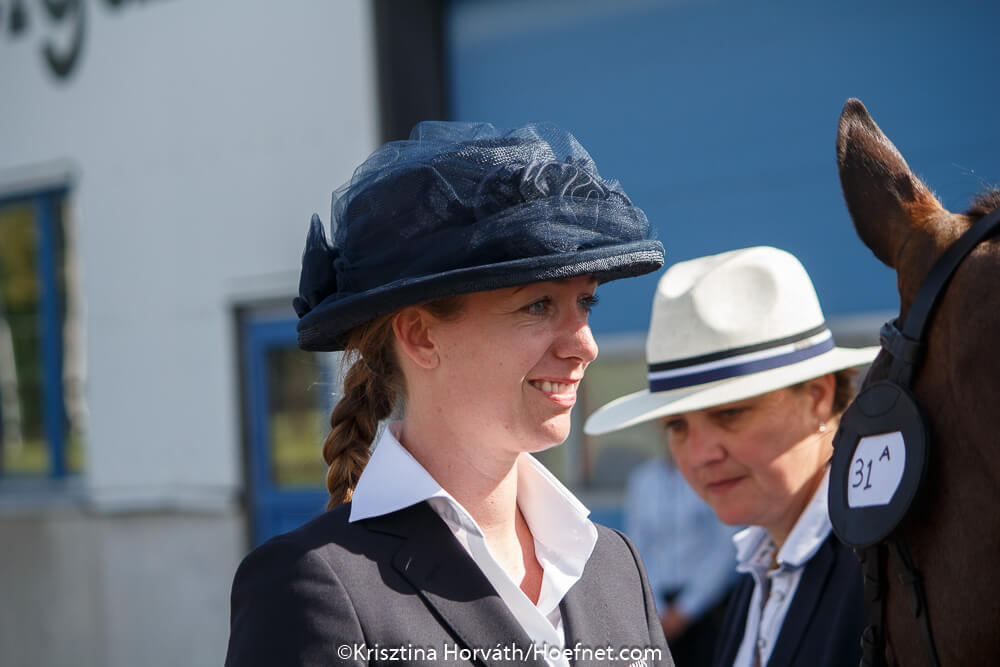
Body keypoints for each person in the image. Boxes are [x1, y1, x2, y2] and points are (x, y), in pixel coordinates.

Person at [225, 122, 674, 667]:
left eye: (586, 303)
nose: (585, 345)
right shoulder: (315, 584)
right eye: (537, 306)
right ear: (421, 335)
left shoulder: (612, 564)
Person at [585, 246, 877, 667]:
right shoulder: (761, 566)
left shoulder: (881, 567)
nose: (700, 455)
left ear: (818, 396)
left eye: (730, 413)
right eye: (677, 426)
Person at [624, 448, 738, 665]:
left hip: (707, 607)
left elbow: (725, 548)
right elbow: (637, 545)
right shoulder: (644, 479)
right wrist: (655, 605)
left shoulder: (714, 476)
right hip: (657, 605)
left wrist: (687, 608)